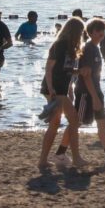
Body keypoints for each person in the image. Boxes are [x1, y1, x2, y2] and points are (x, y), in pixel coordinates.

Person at [58, 18, 105, 168]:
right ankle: (60, 153)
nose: (101, 33)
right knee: (75, 123)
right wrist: (94, 97)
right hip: (86, 94)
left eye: (102, 30)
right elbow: (86, 76)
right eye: (97, 31)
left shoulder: (96, 48)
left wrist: (98, 95)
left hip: (96, 92)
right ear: (90, 33)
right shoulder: (88, 49)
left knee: (102, 123)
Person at [38, 17, 89, 170]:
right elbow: (49, 68)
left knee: (54, 124)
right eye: (80, 32)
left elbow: (66, 70)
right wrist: (52, 88)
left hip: (61, 89)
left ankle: (43, 160)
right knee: (74, 119)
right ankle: (76, 158)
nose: (81, 35)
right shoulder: (59, 45)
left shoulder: (71, 48)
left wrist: (73, 82)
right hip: (53, 89)